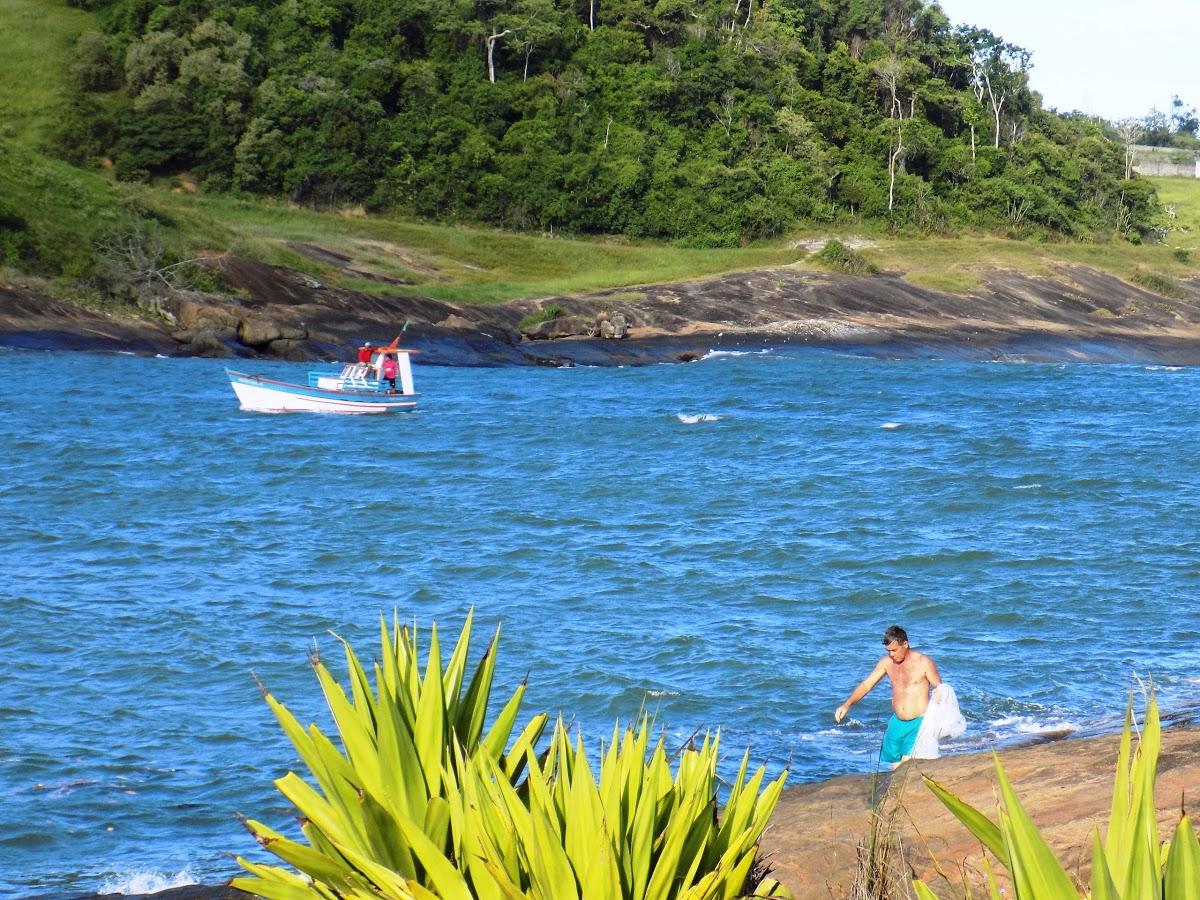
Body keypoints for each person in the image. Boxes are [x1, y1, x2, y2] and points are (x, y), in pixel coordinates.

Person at [834, 625, 942, 768]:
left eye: (894, 650)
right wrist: (847, 704)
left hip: (918, 723)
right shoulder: (886, 663)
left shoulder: (923, 662)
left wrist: (939, 692)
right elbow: (867, 685)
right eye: (888, 651)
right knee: (894, 767)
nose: (891, 654)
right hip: (897, 723)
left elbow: (939, 686)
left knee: (906, 767)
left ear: (905, 644)